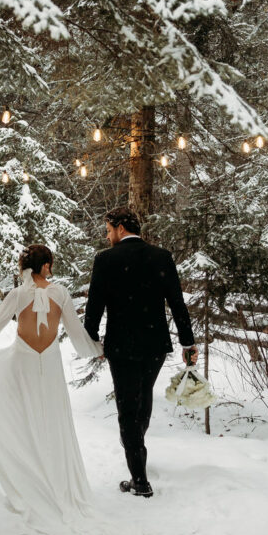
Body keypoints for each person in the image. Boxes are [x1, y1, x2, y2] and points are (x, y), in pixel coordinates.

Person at [0, 244, 104, 534]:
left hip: (23, 364)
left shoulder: (17, 295)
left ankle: (30, 478)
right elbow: (77, 337)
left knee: (22, 420)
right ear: (46, 266)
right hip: (50, 367)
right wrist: (99, 349)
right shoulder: (60, 293)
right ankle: (59, 481)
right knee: (53, 423)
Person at [84, 206, 197, 499]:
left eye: (108, 230)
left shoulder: (106, 260)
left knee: (127, 407)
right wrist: (188, 342)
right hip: (154, 344)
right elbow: (177, 302)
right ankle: (137, 447)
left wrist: (92, 340)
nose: (107, 235)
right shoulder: (161, 256)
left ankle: (140, 478)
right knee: (143, 396)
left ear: (121, 228)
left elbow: (94, 306)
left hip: (122, 346)